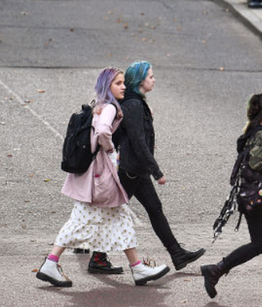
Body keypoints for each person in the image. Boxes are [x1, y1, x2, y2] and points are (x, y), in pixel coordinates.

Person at [36, 67, 169, 288]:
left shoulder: (99, 106)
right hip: (100, 176)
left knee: (119, 218)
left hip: (95, 175)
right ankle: (51, 262)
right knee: (81, 222)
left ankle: (137, 268)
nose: (124, 86)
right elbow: (103, 132)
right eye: (118, 83)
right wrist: (109, 151)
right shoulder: (108, 108)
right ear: (108, 86)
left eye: (123, 83)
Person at [88, 61, 205, 275]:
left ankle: (177, 254)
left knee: (154, 209)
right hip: (130, 170)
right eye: (151, 76)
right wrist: (156, 171)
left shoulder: (136, 103)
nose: (154, 79)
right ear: (141, 81)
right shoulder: (133, 105)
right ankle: (96, 256)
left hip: (136, 170)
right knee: (111, 212)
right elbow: (138, 141)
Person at [200, 92, 262, 302]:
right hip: (259, 198)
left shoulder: (260, 131)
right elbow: (257, 163)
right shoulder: (261, 135)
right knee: (260, 243)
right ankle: (216, 270)